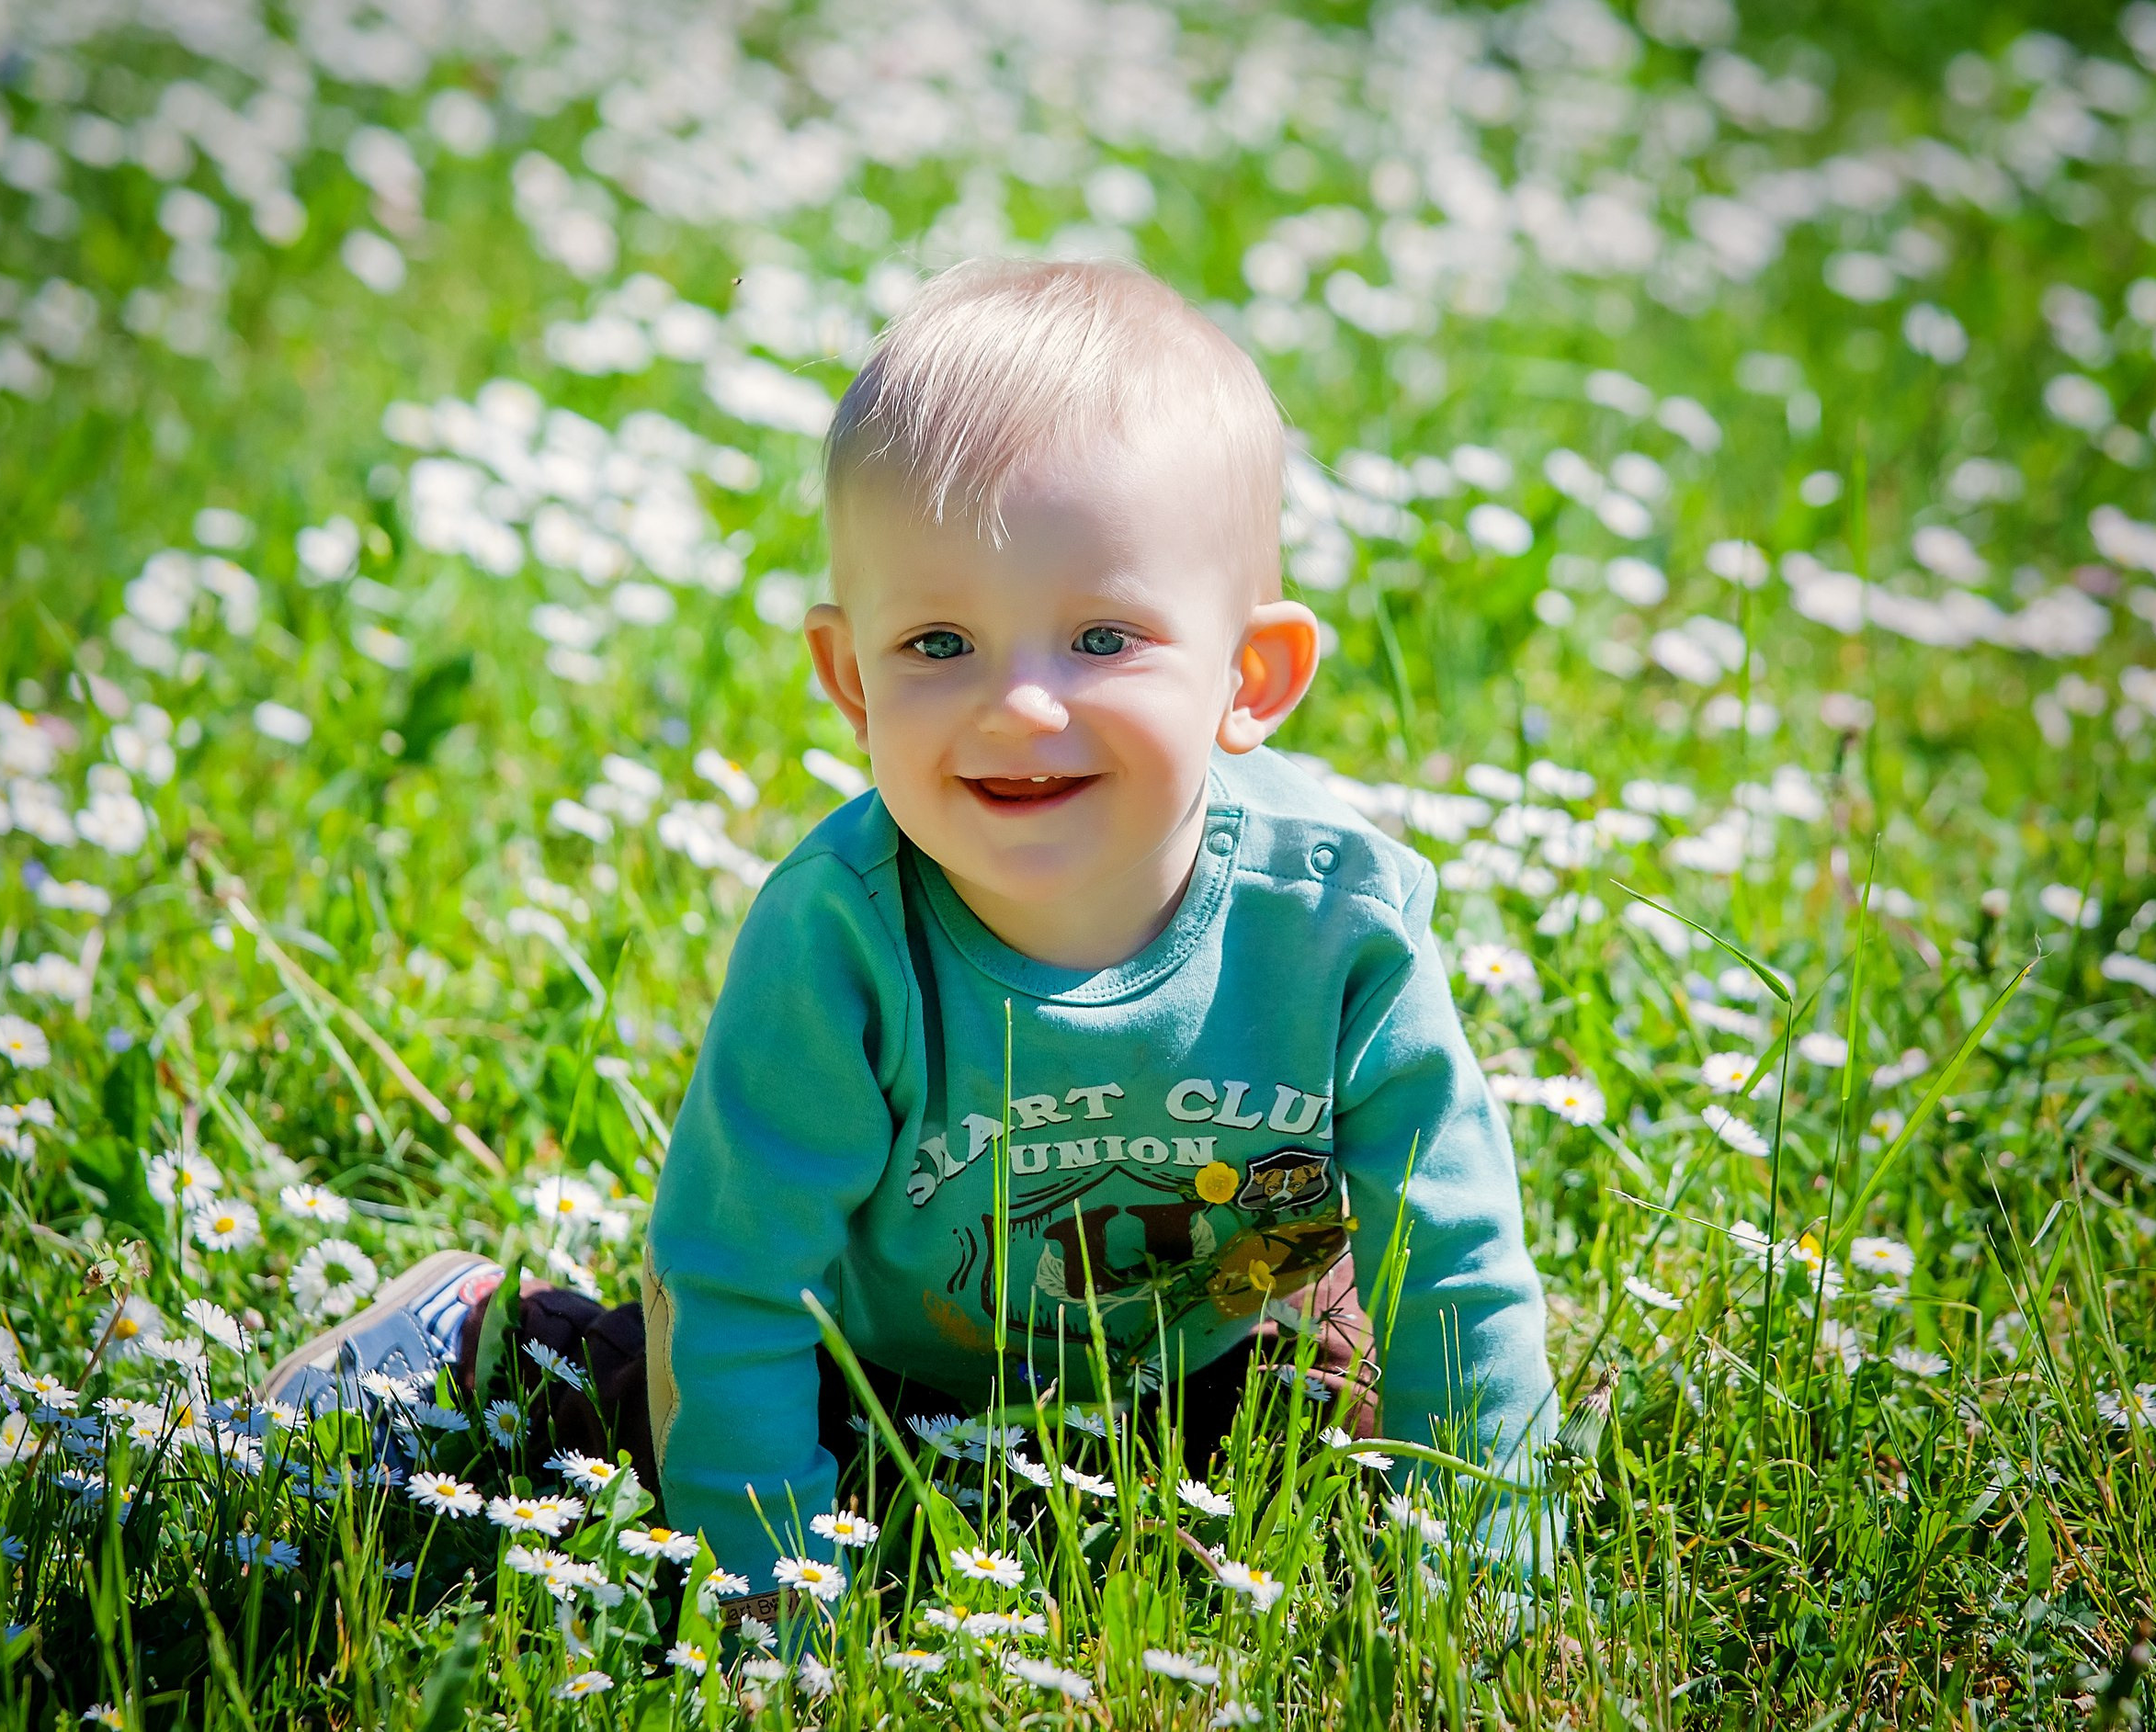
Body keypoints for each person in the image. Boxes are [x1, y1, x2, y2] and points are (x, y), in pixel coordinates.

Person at [265, 255, 1557, 1625]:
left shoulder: (1334, 917)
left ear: (1252, 679)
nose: (1017, 706)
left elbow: (1455, 1250)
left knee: (1337, 1412)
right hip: (891, 1352)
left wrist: (1501, 1574)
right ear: (849, 678)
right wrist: (764, 1588)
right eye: (940, 641)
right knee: (702, 1415)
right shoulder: (841, 937)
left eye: (1101, 637)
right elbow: (739, 1273)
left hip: (1211, 1323)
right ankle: (489, 1339)